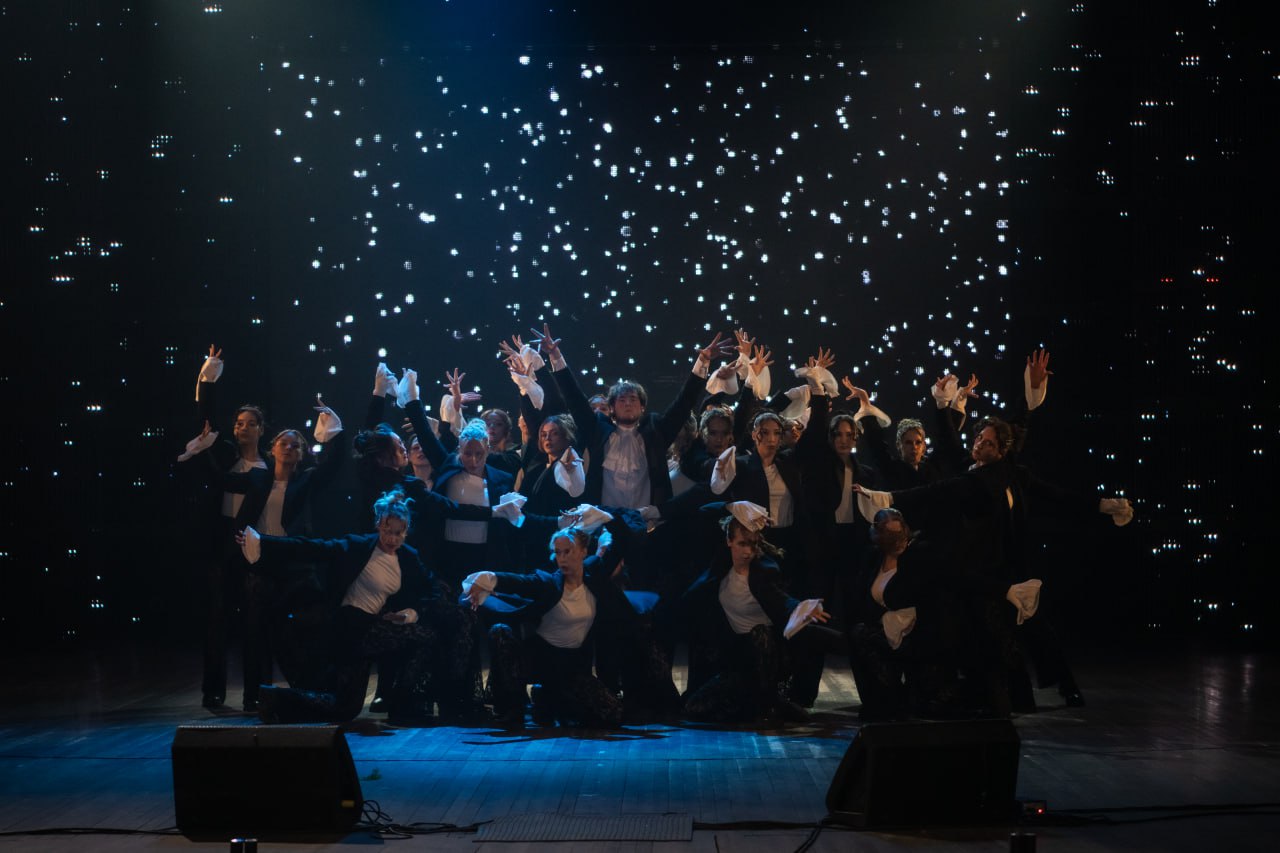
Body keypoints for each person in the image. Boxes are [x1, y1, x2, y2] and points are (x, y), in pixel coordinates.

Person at [240, 489, 476, 724]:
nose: (392, 539)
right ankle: (402, 702)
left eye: (398, 533)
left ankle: (275, 699)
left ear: (406, 530)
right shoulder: (358, 546)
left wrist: (412, 612)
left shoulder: (407, 556)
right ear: (378, 525)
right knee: (424, 639)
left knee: (346, 707)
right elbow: (312, 547)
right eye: (387, 531)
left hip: (373, 625)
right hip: (351, 625)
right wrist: (263, 542)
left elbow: (431, 588)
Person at [463, 510, 678, 728]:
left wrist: (606, 517)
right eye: (558, 553)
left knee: (611, 714)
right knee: (500, 631)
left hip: (573, 668)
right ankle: (515, 707)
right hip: (540, 660)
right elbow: (517, 582)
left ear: (583, 552)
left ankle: (547, 697)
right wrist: (486, 579)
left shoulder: (595, 575)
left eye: (568, 551)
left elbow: (621, 542)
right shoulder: (548, 582)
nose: (563, 558)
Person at [679, 504, 835, 724]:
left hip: (765, 657)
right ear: (729, 541)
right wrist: (737, 506)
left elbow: (779, 598)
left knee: (760, 632)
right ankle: (766, 703)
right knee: (694, 707)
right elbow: (704, 513)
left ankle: (769, 701)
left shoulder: (764, 571)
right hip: (737, 661)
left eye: (753, 544)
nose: (748, 552)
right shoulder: (720, 567)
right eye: (742, 544)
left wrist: (800, 607)